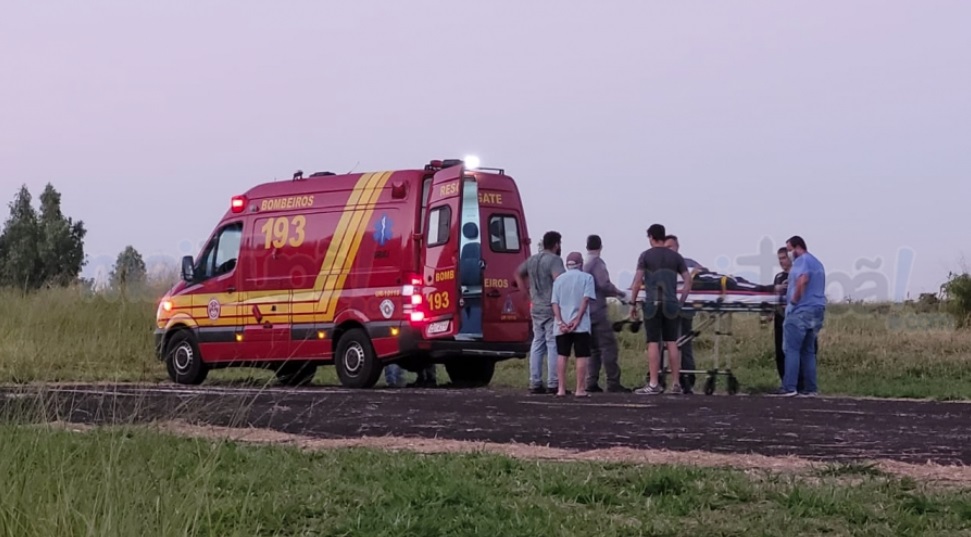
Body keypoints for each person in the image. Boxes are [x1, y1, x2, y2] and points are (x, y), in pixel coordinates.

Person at [630, 224, 693, 395]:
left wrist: (632, 303)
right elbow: (688, 281)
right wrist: (681, 300)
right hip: (671, 303)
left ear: (651, 237)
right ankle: (676, 383)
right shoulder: (676, 257)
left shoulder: (645, 256)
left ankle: (653, 383)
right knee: (672, 342)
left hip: (653, 303)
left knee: (653, 342)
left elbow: (637, 281)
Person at [773, 235, 825, 397]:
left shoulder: (802, 261)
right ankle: (810, 388)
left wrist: (793, 302)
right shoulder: (817, 262)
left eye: (789, 250)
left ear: (797, 247)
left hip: (801, 310)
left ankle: (790, 386)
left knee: (792, 349)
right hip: (817, 310)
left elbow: (803, 280)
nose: (788, 254)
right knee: (808, 351)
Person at [515, 230, 566, 394]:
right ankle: (553, 382)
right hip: (551, 306)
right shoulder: (555, 260)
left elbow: (517, 274)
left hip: (535, 305)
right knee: (552, 343)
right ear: (556, 244)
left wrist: (526, 293)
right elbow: (559, 280)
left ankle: (535, 381)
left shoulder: (532, 260)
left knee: (537, 343)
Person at [582, 234, 631, 393]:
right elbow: (604, 284)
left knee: (593, 349)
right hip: (598, 311)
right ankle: (613, 382)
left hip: (586, 312)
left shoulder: (584, 264)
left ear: (587, 246)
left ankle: (591, 381)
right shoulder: (597, 263)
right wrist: (621, 294)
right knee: (609, 347)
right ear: (601, 247)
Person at [551, 251, 597, 397]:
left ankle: (561, 389)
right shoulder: (587, 278)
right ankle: (580, 389)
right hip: (581, 325)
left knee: (562, 355)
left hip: (561, 325)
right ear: (581, 263)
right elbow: (586, 299)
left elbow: (554, 303)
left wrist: (560, 321)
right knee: (581, 356)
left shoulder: (559, 280)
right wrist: (577, 319)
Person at [663, 234, 704, 394]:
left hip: (685, 309)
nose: (669, 251)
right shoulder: (661, 266)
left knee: (684, 345)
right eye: (666, 248)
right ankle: (660, 378)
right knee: (664, 344)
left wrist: (695, 273)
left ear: (677, 247)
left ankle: (687, 380)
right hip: (667, 309)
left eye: (671, 247)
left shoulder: (687, 263)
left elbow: (702, 271)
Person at [772, 246, 804, 392]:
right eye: (779, 259)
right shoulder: (778, 277)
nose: (781, 262)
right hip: (779, 316)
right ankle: (785, 382)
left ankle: (798, 383)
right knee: (779, 352)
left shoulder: (797, 274)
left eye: (784, 258)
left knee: (793, 351)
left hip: (793, 316)